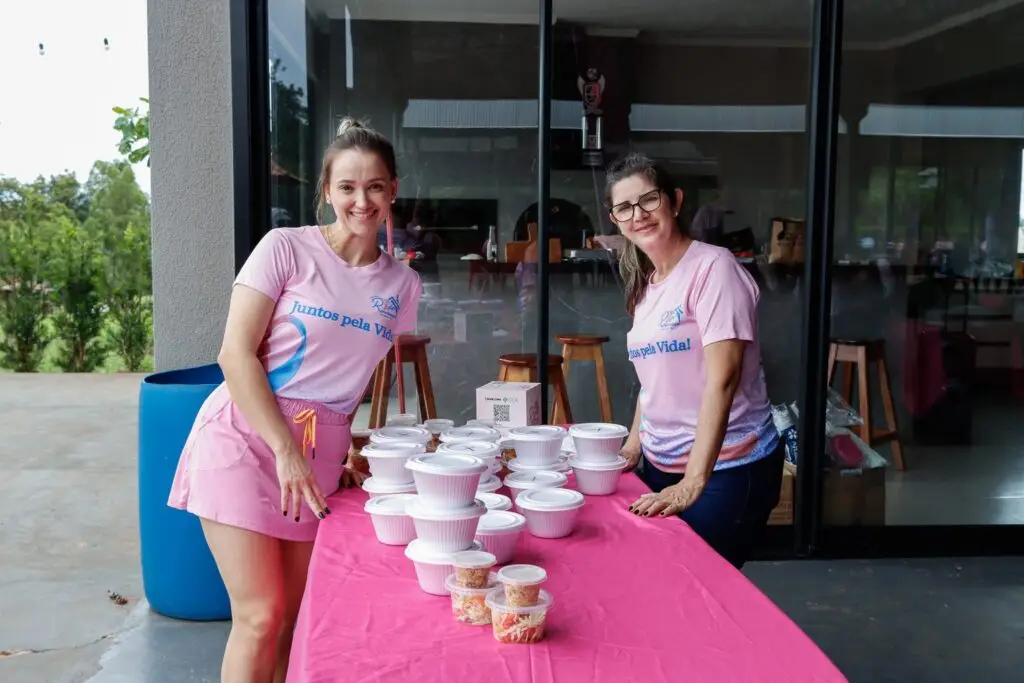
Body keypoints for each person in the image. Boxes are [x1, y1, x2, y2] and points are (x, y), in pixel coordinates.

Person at [167, 118, 422, 682]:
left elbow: (352, 375)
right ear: (327, 192)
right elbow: (236, 355)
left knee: (295, 620)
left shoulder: (402, 287)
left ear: (393, 191)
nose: (362, 200)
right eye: (348, 187)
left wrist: (348, 447)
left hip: (319, 456)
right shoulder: (285, 249)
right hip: (247, 436)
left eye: (375, 186)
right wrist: (284, 447)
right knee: (259, 616)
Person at [606, 152, 783, 570]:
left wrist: (693, 484)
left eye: (649, 200)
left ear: (675, 201)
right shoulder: (646, 288)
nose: (639, 215)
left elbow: (724, 379)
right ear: (615, 220)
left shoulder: (713, 268)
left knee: (698, 590)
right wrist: (634, 444)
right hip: (662, 465)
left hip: (727, 469)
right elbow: (653, 382)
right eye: (625, 207)